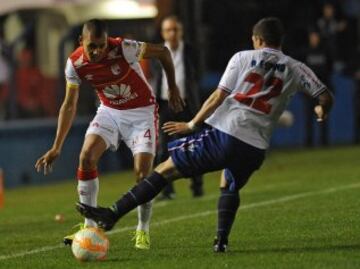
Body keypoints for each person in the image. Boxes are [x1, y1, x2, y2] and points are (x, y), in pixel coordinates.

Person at [75, 17, 334, 252]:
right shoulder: (296, 67)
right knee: (229, 182)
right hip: (255, 148)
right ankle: (221, 241)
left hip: (226, 134)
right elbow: (324, 95)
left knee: (165, 169)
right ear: (281, 41)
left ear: (257, 39)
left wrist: (192, 124)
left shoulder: (243, 57)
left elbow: (217, 96)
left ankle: (112, 213)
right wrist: (322, 109)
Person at [35, 19, 183, 250]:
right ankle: (89, 227)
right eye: (92, 46)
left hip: (141, 112)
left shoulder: (124, 47)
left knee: (143, 174)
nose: (97, 51)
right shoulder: (74, 63)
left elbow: (163, 52)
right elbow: (69, 105)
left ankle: (142, 229)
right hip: (110, 111)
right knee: (86, 157)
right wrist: (57, 146)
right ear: (80, 42)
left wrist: (172, 87)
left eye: (101, 45)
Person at [155, 15, 203, 200]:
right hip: (165, 106)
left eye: (176, 29)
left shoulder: (191, 51)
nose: (173, 33)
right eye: (169, 30)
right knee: (164, 150)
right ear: (163, 33)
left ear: (181, 32)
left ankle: (197, 186)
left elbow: (197, 74)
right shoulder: (157, 51)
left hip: (186, 105)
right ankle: (167, 190)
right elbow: (156, 77)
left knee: (194, 145)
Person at [304, 30, 333, 146]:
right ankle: (309, 143)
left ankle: (324, 142)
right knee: (308, 118)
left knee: (322, 116)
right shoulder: (306, 52)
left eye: (316, 36)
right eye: (312, 36)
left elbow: (329, 70)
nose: (314, 38)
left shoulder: (324, 51)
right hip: (309, 91)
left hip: (321, 91)